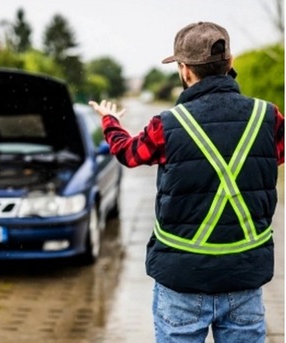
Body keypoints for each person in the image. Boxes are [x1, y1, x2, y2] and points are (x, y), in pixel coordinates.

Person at [89, 21, 284, 343]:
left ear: (185, 70)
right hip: (244, 276)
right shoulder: (268, 117)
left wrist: (110, 122)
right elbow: (270, 157)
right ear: (230, 63)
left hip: (182, 279)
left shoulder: (167, 125)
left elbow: (128, 153)